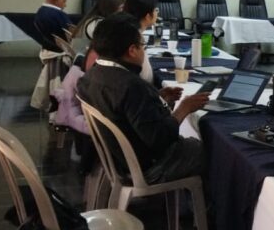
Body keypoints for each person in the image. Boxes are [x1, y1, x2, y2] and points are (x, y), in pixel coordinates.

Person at [77, 13, 211, 183]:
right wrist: (184, 108)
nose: (144, 50)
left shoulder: (91, 76)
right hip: (149, 167)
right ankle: (211, 199)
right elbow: (161, 138)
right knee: (211, 150)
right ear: (132, 51)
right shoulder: (132, 86)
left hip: (118, 159)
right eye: (143, 46)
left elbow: (124, 110)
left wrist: (157, 98)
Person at [122, 0, 160, 84]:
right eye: (156, 10)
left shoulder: (125, 32)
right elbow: (146, 77)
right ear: (148, 16)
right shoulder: (135, 37)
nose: (157, 13)